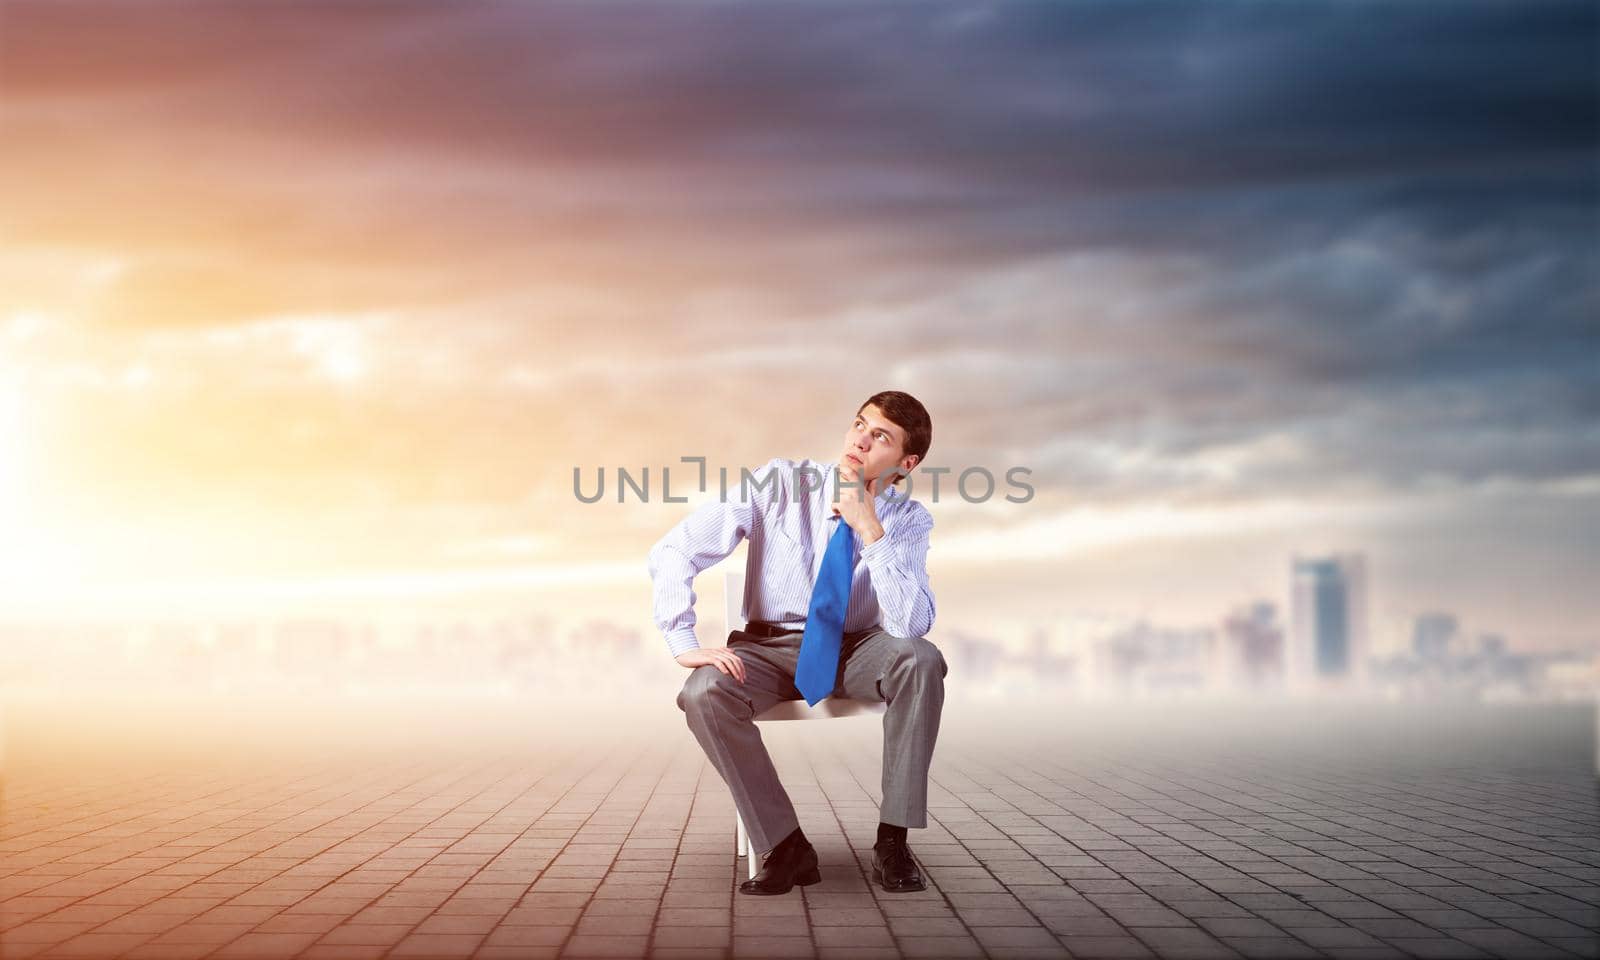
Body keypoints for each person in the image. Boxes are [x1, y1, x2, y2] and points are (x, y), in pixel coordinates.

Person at [647, 390, 945, 896]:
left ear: (906, 461)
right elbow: (676, 548)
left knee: (921, 660)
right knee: (702, 693)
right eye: (859, 424)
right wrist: (682, 639)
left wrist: (870, 527)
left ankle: (893, 839)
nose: (860, 440)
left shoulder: (909, 521)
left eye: (881, 437)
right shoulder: (780, 483)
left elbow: (910, 623)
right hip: (769, 650)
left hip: (857, 651)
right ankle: (785, 846)